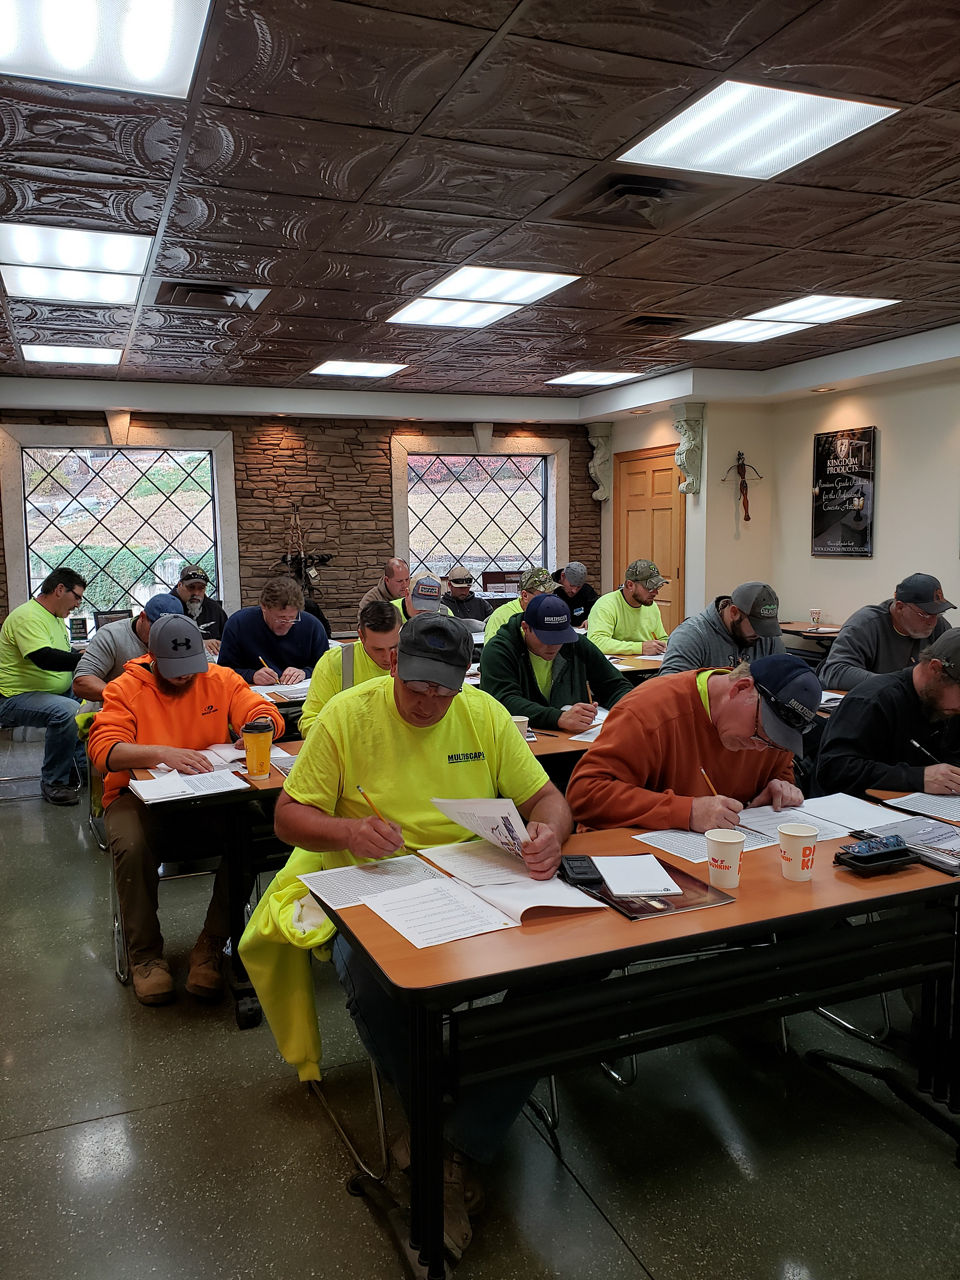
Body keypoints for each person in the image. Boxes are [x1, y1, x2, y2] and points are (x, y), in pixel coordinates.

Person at [241, 613, 571, 1258]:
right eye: (419, 688)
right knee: (371, 976)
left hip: (474, 876)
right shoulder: (346, 714)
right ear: (393, 666)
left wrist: (551, 832)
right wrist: (346, 832)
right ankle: (460, 1132)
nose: (430, 703)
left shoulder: (482, 713)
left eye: (445, 691)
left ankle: (446, 1140)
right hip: (374, 882)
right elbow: (286, 817)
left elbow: (545, 798)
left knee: (565, 968)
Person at [87, 614, 285, 1006]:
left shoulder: (220, 678)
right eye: (174, 670)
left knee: (250, 835)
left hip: (207, 792)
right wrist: (161, 753)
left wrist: (259, 726)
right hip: (137, 796)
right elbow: (104, 750)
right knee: (130, 844)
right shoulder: (125, 688)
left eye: (190, 668)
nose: (184, 677)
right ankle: (145, 956)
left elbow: (262, 711)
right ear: (152, 658)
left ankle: (211, 944)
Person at [567, 654, 819, 832]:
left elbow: (780, 770)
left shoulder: (768, 734)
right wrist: (686, 811)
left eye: (776, 743)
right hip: (640, 862)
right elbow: (585, 795)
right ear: (740, 688)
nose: (762, 748)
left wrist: (782, 786)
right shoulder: (649, 711)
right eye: (759, 733)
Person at [816, 630, 960, 799]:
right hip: (859, 810)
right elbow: (834, 770)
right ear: (935, 669)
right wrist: (917, 777)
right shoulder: (872, 701)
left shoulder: (950, 706)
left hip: (932, 808)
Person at [0, 566, 88, 805]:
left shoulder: (55, 618)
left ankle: (78, 768)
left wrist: (84, 654)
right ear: (60, 589)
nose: (78, 604)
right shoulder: (27, 616)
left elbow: (62, 651)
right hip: (15, 697)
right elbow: (44, 657)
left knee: (89, 700)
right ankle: (54, 782)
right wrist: (85, 659)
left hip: (50, 691)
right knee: (68, 712)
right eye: (77, 596)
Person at [479, 594, 631, 733]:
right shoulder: (499, 650)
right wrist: (558, 718)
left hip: (571, 744)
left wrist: (630, 709)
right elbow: (505, 701)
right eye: (546, 638)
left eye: (560, 638)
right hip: (521, 742)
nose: (554, 646)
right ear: (526, 628)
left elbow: (614, 685)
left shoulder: (575, 645)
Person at [818, 573, 955, 691]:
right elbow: (835, 671)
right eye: (925, 614)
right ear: (900, 607)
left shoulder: (937, 625)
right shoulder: (866, 625)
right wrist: (899, 685)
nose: (933, 622)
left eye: (938, 614)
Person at [299, 600, 401, 736]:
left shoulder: (415, 661)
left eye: (394, 647)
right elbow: (310, 721)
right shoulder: (335, 662)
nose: (388, 657)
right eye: (378, 649)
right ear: (361, 636)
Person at [73, 593, 184, 706]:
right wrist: (125, 696)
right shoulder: (111, 635)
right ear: (142, 617)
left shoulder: (186, 638)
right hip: (119, 711)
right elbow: (82, 682)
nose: (161, 635)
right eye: (156, 628)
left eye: (169, 630)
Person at [218, 576, 328, 685]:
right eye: (281, 618)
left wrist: (305, 673)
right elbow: (223, 672)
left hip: (299, 696)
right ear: (264, 607)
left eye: (293, 618)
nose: (287, 624)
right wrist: (251, 675)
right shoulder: (238, 624)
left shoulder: (312, 625)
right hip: (253, 695)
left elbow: (327, 668)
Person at [660, 581, 785, 675]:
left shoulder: (767, 638)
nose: (760, 634)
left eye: (765, 627)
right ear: (734, 612)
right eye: (755, 625)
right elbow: (670, 690)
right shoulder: (691, 635)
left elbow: (784, 681)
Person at [587, 559, 670, 656]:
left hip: (649, 666)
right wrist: (640, 648)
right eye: (650, 588)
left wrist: (664, 645)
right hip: (619, 669)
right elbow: (596, 642)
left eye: (658, 587)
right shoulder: (606, 604)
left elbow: (662, 638)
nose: (656, 593)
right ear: (630, 585)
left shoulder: (652, 606)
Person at [483, 567, 556, 642]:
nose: (549, 600)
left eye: (552, 594)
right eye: (543, 595)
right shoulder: (501, 616)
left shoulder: (554, 612)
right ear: (525, 595)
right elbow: (492, 650)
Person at [168, 564, 229, 654]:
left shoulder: (214, 609)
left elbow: (228, 639)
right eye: (191, 587)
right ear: (180, 585)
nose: (196, 593)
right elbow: (163, 642)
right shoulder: (166, 607)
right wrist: (201, 644)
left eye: (201, 588)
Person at [441, 564, 492, 632]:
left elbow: (493, 623)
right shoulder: (442, 605)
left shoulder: (481, 604)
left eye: (467, 588)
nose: (464, 591)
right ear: (450, 585)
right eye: (460, 588)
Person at [357, 556, 409, 622]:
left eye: (407, 579)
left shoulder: (414, 594)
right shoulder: (371, 600)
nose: (405, 585)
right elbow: (363, 629)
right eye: (399, 581)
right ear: (387, 580)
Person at [551, 561, 598, 627]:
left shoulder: (587, 591)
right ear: (563, 576)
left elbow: (598, 610)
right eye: (571, 585)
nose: (574, 591)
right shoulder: (549, 589)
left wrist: (590, 619)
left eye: (578, 587)